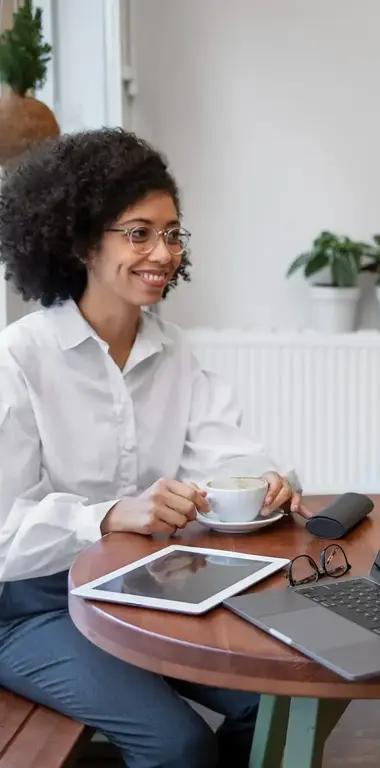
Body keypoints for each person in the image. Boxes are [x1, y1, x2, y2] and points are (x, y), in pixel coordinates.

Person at [0, 128, 311, 768]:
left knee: (281, 700)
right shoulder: (19, 358)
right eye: (138, 233)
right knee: (178, 745)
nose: (163, 252)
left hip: (141, 583)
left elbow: (230, 455)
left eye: (172, 234)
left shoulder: (172, 352)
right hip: (31, 608)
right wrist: (109, 516)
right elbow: (4, 537)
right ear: (84, 240)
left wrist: (268, 481)